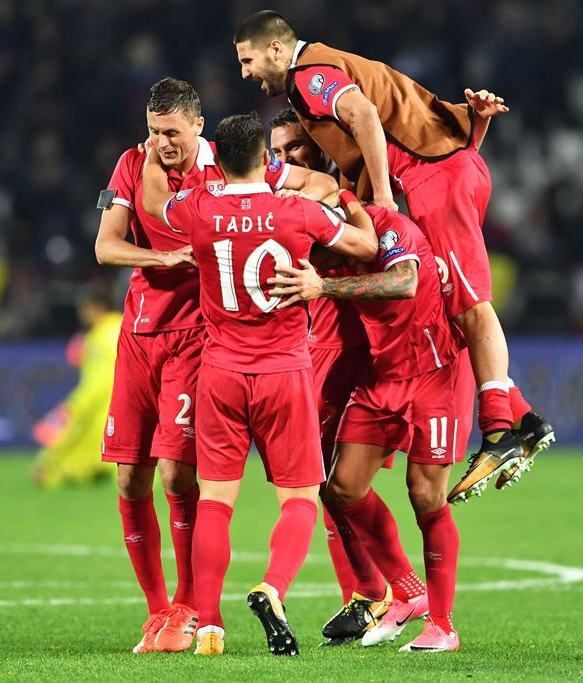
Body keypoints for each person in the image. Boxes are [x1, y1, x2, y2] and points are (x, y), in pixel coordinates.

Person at [233, 11, 555, 502]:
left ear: (276, 48)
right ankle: (523, 416)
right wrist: (474, 126)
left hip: (433, 180)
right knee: (452, 304)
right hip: (445, 169)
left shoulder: (307, 76)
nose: (245, 73)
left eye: (248, 60)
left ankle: (496, 433)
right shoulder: (329, 72)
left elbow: (365, 115)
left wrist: (383, 195)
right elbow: (405, 111)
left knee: (470, 305)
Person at [94, 77, 338, 655]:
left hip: (199, 340)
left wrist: (308, 201)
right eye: (155, 133)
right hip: (139, 333)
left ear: (197, 126)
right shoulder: (132, 162)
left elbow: (315, 183)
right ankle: (158, 612)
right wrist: (161, 256)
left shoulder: (224, 171)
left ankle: (188, 608)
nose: (162, 144)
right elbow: (106, 245)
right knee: (129, 477)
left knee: (180, 476)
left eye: (172, 133)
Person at [142, 112, 378, 656]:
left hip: (220, 373)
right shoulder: (298, 211)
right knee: (299, 499)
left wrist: (155, 155)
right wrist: (352, 207)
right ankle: (273, 588)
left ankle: (209, 626)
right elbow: (365, 249)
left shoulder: (199, 208)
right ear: (266, 160)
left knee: (216, 505)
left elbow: (156, 203)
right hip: (285, 372)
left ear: (216, 159)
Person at [269, 191, 466, 652]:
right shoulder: (324, 255)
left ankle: (442, 624)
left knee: (424, 494)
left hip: (436, 373)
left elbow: (402, 283)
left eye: (312, 248)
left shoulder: (387, 227)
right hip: (384, 376)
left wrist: (325, 288)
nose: (309, 260)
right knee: (341, 487)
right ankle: (406, 591)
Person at [269, 109, 391, 645]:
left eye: (294, 147)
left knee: (333, 482)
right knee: (329, 484)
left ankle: (378, 594)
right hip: (320, 345)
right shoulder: (291, 200)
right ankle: (366, 595)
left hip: (354, 349)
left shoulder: (340, 196)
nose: (285, 160)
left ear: (318, 145)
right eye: (276, 152)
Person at [31, 283, 120, 488]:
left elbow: (97, 385)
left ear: (95, 308)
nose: (81, 314)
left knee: (69, 467)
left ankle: (50, 470)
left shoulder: (101, 336)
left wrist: (74, 406)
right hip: (129, 417)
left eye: (84, 308)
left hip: (101, 417)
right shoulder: (125, 326)